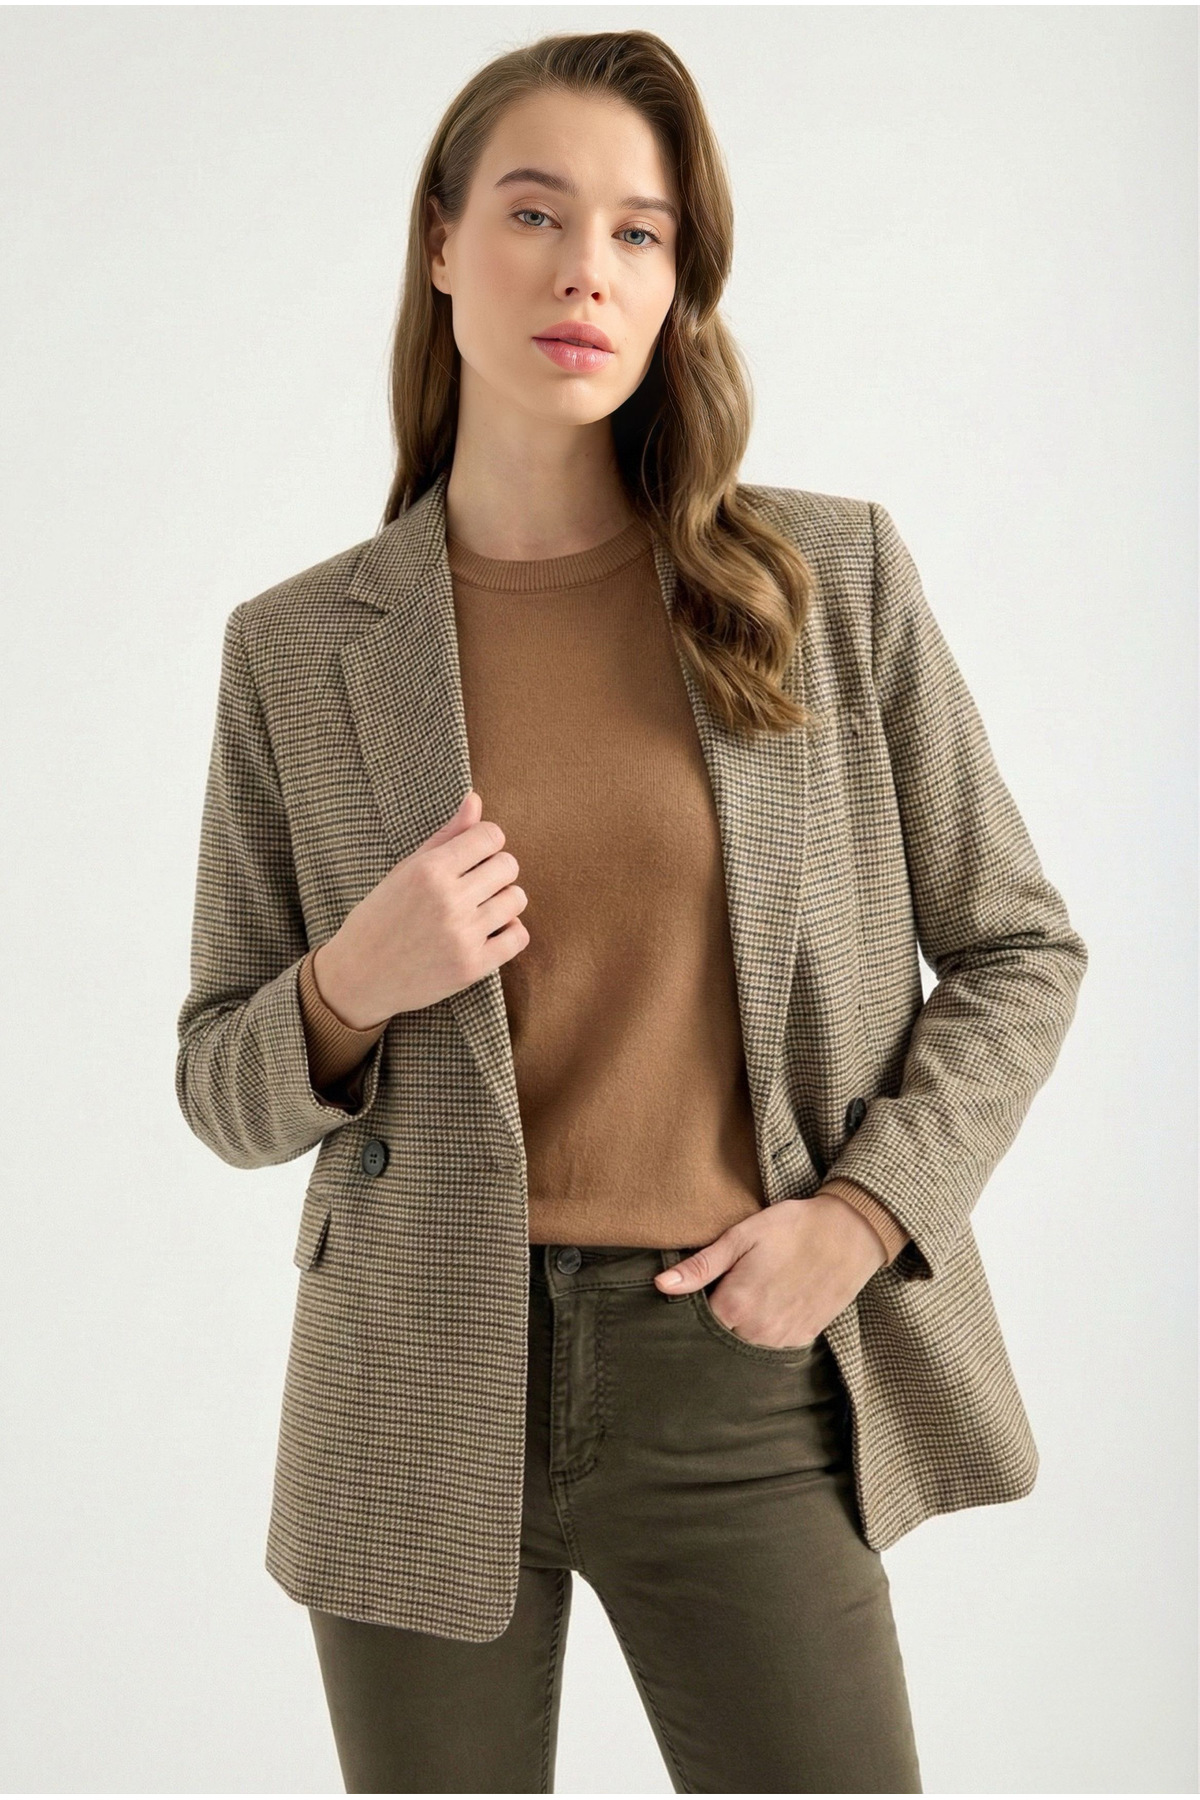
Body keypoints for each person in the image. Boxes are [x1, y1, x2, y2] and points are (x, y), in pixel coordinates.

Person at [174, 28, 1088, 1795]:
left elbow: (1018, 948)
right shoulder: (298, 650)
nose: (585, 268)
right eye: (535, 212)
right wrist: (348, 985)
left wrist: (865, 1215)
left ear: (678, 283)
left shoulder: (823, 582)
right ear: (442, 244)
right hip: (411, 1379)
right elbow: (220, 1081)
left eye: (640, 232)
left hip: (738, 1372)